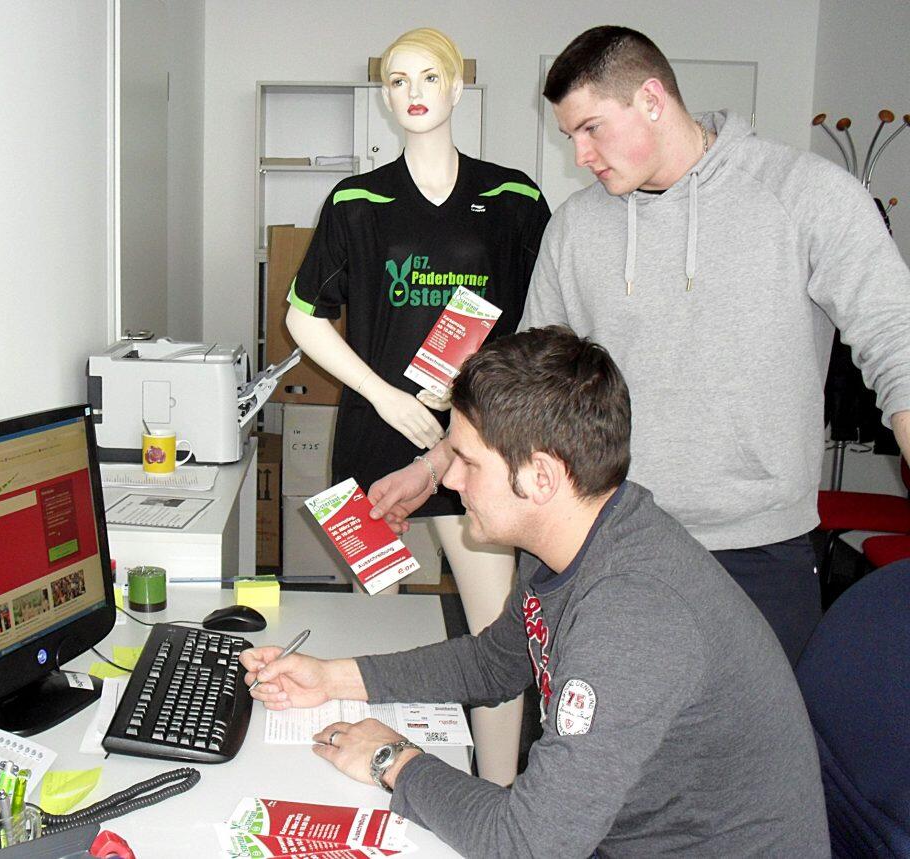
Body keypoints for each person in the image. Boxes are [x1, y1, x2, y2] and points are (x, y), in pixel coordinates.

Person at [369, 25, 910, 666]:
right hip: (604, 540)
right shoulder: (576, 227)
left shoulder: (806, 195)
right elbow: (523, 394)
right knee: (591, 729)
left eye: (591, 129)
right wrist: (434, 466)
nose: (580, 156)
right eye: (570, 135)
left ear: (651, 99)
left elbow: (895, 342)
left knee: (753, 731)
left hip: (756, 550)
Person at [241, 327, 830, 858]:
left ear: (540, 477)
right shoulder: (572, 537)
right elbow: (493, 663)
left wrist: (391, 759)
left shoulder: (634, 613)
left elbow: (527, 843)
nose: (449, 479)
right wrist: (331, 678)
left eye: (467, 460)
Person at [285, 27, 550, 783]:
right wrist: (381, 393)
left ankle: (499, 791)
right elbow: (304, 316)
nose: (414, 93)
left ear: (458, 86)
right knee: (378, 633)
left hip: (480, 454)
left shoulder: (513, 198)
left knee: (496, 639)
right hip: (374, 444)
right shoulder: (357, 201)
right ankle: (384, 782)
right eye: (398, 80)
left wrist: (476, 390)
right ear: (385, 94)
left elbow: (544, 321)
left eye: (430, 76)